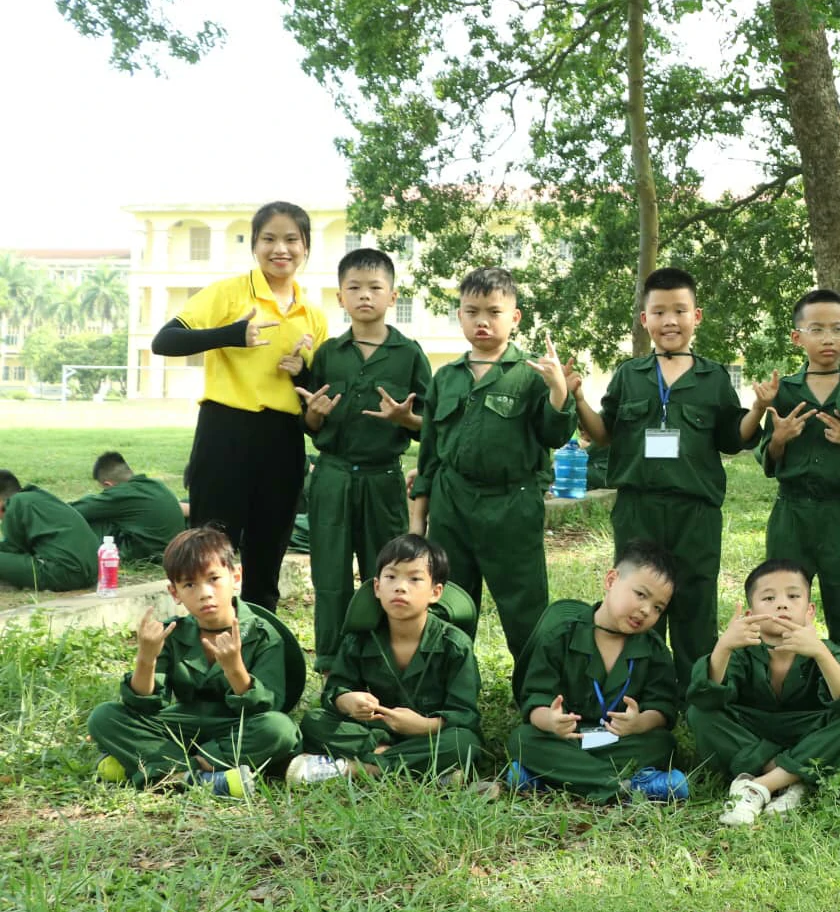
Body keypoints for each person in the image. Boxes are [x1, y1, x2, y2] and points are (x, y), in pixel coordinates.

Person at [150, 202, 327, 610]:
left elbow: (312, 397)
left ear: (306, 247)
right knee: (210, 554)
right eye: (269, 239)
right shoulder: (228, 293)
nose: (280, 249)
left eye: (291, 239)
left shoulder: (313, 316)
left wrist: (302, 373)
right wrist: (231, 334)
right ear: (254, 245)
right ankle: (207, 639)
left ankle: (260, 638)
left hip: (283, 440)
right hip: (224, 433)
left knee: (267, 557)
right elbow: (165, 341)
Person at [576, 266, 747, 685]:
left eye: (680, 311)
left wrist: (759, 408)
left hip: (696, 511)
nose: (670, 321)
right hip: (638, 507)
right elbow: (603, 434)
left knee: (695, 600)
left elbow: (733, 440)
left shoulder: (713, 377)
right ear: (644, 319)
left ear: (696, 316)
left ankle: (696, 690)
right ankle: (638, 686)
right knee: (635, 598)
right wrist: (577, 397)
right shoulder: (629, 375)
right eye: (659, 312)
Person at [410, 267, 576, 672]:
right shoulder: (445, 378)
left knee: (524, 604)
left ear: (514, 317)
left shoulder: (530, 374)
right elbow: (429, 455)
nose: (482, 321)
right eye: (472, 312)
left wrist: (558, 390)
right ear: (460, 315)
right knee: (448, 601)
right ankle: (448, 687)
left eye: (493, 312)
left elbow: (555, 435)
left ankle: (535, 690)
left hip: (512, 503)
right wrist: (418, 521)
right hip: (452, 503)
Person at [295, 247, 433, 671]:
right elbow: (310, 421)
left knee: (387, 572)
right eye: (354, 288)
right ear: (340, 297)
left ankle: (383, 659)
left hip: (383, 479)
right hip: (332, 477)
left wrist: (405, 418)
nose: (365, 296)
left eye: (375, 287)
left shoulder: (409, 354)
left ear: (393, 296)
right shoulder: (328, 354)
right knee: (330, 576)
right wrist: (313, 416)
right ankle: (332, 662)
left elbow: (432, 425)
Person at [86, 527, 302, 794]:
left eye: (214, 579)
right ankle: (202, 776)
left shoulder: (263, 634)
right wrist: (146, 657)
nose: (205, 593)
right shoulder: (172, 633)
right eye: (189, 584)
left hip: (238, 728)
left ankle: (170, 769)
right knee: (104, 717)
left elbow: (266, 707)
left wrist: (234, 668)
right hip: (183, 725)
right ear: (174, 592)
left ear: (235, 577)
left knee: (279, 729)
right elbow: (143, 706)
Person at [688, 559, 840, 827]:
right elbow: (706, 698)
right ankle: (793, 779)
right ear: (750, 613)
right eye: (769, 598)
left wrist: (820, 653)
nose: (782, 604)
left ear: (810, 611)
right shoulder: (741, 650)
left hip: (808, 732)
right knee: (700, 715)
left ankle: (759, 786)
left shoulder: (826, 650)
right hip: (752, 730)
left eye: (793, 596)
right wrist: (724, 647)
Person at [743, 288, 840, 653]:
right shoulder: (783, 391)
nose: (827, 338)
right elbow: (768, 459)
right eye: (816, 329)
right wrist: (780, 438)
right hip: (791, 512)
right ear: (797, 337)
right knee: (781, 600)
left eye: (837, 329)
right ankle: (783, 673)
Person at [505, 543, 689, 803]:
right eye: (640, 594)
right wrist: (551, 721)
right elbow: (536, 699)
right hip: (568, 738)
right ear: (611, 580)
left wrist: (639, 723)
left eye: (658, 608)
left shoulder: (654, 650)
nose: (646, 610)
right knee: (523, 739)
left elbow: (662, 708)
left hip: (618, 740)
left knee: (662, 743)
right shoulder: (561, 636)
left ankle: (547, 778)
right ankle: (627, 787)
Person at [289, 534, 482, 783]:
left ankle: (361, 769)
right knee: (314, 722)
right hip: (376, 733)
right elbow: (336, 690)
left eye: (414, 579)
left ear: (435, 592)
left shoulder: (454, 645)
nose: (400, 587)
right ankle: (415, 768)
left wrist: (424, 725)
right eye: (391, 577)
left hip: (429, 734)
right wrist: (348, 701)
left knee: (464, 743)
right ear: (377, 588)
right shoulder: (360, 639)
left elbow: (465, 714)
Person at [68, 452, 186, 564]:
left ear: (108, 484)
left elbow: (75, 510)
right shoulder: (155, 484)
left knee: (95, 523)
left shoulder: (121, 494)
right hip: (173, 549)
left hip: (147, 554)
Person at [0, 471, 99, 591]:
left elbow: (13, 549)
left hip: (67, 573)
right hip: (94, 573)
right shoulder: (39, 497)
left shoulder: (16, 503)